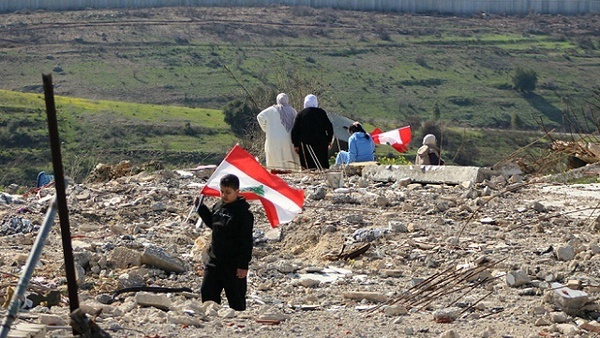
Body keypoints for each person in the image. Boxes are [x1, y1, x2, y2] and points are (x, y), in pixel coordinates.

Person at [195, 174, 254, 311]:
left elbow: (246, 241)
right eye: (222, 191)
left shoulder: (244, 214)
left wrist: (243, 265)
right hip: (214, 261)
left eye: (228, 192)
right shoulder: (218, 206)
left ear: (237, 192)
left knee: (236, 302)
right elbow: (214, 224)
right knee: (207, 295)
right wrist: (201, 208)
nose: (224, 195)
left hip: (233, 266)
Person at [256, 93, 301, 171]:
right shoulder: (292, 111)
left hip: (274, 138)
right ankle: (290, 170)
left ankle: (276, 171)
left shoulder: (271, 110)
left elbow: (260, 116)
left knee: (275, 155)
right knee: (288, 154)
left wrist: (266, 128)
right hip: (288, 138)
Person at [291, 94, 334, 170]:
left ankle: (308, 177)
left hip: (305, 143)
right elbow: (329, 127)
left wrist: (296, 144)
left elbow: (295, 130)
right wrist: (329, 140)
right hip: (320, 142)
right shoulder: (321, 113)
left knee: (307, 164)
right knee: (321, 163)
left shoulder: (301, 114)